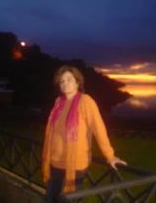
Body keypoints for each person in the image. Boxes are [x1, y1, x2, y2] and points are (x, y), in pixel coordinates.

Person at [42, 65, 127, 202]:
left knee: (67, 200)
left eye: (69, 79)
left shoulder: (85, 101)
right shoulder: (58, 102)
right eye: (62, 81)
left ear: (77, 82)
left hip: (75, 165)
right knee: (51, 199)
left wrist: (109, 156)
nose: (65, 83)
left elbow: (98, 128)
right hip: (55, 163)